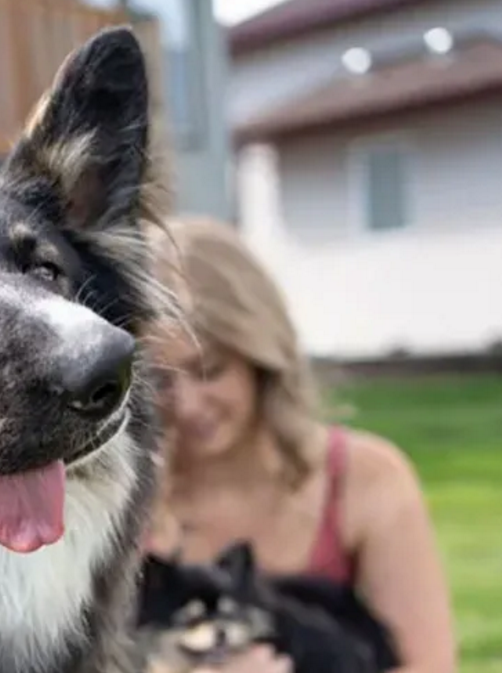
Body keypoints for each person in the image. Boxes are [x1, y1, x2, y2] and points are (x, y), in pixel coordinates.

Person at [142, 217, 456, 673]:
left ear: (260, 355)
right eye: (160, 380)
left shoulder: (365, 481)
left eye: (210, 369)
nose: (188, 404)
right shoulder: (129, 505)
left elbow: (430, 666)